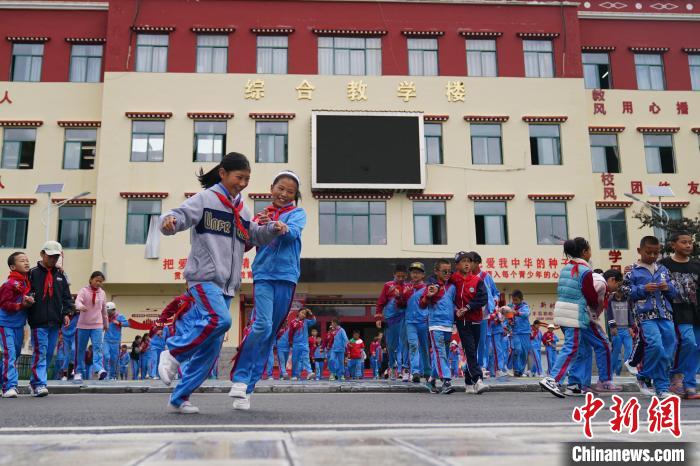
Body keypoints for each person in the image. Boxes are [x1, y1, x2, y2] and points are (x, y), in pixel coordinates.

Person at [157, 152, 286, 414]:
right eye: (239, 177)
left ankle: (179, 398)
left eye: (247, 179)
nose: (243, 183)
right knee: (220, 320)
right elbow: (177, 216)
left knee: (211, 348)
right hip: (204, 278)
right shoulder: (205, 199)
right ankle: (173, 352)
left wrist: (272, 229)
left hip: (228, 285)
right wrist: (168, 222)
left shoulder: (243, 209)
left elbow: (254, 236)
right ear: (223, 173)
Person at [229, 170, 304, 410]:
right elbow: (247, 243)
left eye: (290, 191)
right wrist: (253, 228)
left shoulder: (297, 213)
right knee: (261, 325)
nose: (284, 194)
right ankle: (240, 379)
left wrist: (279, 226)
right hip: (263, 275)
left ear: (295, 195)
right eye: (280, 188)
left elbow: (291, 234)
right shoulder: (260, 215)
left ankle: (247, 390)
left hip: (287, 277)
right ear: (272, 188)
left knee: (270, 335)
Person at [539, 237, 602, 398]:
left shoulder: (566, 268)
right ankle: (553, 379)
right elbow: (591, 296)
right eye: (589, 249)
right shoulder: (585, 271)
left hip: (563, 311)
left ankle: (574, 385)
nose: (590, 252)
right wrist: (597, 305)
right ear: (584, 252)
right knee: (571, 347)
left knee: (580, 348)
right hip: (574, 314)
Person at [622, 236, 678, 398]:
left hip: (665, 314)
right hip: (645, 315)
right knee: (655, 345)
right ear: (639, 251)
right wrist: (643, 288)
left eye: (656, 253)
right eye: (648, 252)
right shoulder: (632, 271)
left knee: (668, 351)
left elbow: (675, 292)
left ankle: (662, 388)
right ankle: (644, 375)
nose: (652, 256)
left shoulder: (663, 270)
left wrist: (668, 288)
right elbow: (625, 291)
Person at [27, 241, 74, 397]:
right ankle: (40, 384)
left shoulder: (61, 275)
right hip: (38, 320)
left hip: (55, 321)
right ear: (42, 254)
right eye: (50, 256)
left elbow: (67, 297)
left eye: (56, 256)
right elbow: (26, 292)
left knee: (48, 354)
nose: (53, 259)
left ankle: (34, 382)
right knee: (40, 352)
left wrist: (67, 313)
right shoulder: (32, 273)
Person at [659, 231, 700, 399]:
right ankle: (676, 376)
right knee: (688, 342)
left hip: (696, 311)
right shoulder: (664, 264)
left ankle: (689, 384)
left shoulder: (697, 265)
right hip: (677, 310)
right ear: (673, 245)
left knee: (696, 347)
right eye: (684, 242)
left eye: (690, 242)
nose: (688, 245)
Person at [452, 252, 489, 394]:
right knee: (470, 350)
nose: (467, 264)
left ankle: (468, 382)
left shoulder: (477, 280)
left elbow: (483, 298)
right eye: (463, 261)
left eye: (469, 261)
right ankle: (478, 380)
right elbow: (436, 280)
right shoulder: (453, 279)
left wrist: (467, 307)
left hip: (476, 320)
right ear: (457, 265)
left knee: (472, 351)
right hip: (462, 321)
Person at [0, 252, 34, 398]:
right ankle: (10, 386)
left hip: (19, 325)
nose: (26, 263)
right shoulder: (9, 284)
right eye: (22, 261)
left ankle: (4, 383)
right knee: (10, 354)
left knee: (15, 354)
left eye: (27, 260)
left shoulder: (27, 282)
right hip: (5, 324)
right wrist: (22, 305)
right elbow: (4, 304)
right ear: (13, 267)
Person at [420, 259, 456, 395]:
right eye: (444, 271)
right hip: (435, 325)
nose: (447, 274)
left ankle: (430, 381)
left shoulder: (452, 287)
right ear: (436, 271)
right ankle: (446, 381)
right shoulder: (431, 286)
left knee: (443, 355)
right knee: (440, 354)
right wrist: (428, 296)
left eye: (449, 271)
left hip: (448, 325)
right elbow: (422, 304)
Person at [375, 265, 410, 381]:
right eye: (398, 276)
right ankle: (392, 366)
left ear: (406, 276)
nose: (400, 278)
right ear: (394, 275)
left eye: (403, 276)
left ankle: (405, 368)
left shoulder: (408, 287)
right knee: (390, 345)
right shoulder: (388, 286)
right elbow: (381, 302)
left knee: (405, 343)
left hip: (404, 318)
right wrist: (378, 317)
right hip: (390, 319)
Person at [74, 271, 108, 382]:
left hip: (97, 325)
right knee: (80, 349)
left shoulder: (102, 293)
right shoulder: (83, 291)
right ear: (91, 280)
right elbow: (77, 301)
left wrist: (106, 323)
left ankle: (99, 369)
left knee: (97, 348)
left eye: (101, 282)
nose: (98, 283)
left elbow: (104, 309)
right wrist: (80, 306)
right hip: (83, 325)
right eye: (96, 280)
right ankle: (78, 371)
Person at [403, 261, 430, 383]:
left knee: (424, 347)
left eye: (418, 273)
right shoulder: (406, 288)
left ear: (423, 275)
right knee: (413, 345)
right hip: (410, 322)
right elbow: (401, 303)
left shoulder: (427, 288)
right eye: (413, 272)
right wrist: (401, 296)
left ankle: (427, 371)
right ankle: (415, 372)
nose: (415, 275)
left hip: (423, 321)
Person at [606, 290, 633, 376]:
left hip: (626, 329)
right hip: (616, 330)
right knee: (615, 352)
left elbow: (630, 313)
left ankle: (629, 371)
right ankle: (611, 372)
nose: (620, 293)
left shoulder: (627, 299)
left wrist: (631, 326)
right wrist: (612, 327)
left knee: (629, 350)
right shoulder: (610, 300)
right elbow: (609, 314)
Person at [288, 308, 316, 381]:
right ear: (298, 313)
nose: (303, 315)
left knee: (306, 358)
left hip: (305, 344)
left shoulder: (306, 321)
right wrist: (290, 342)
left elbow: (313, 322)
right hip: (296, 344)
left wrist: (311, 313)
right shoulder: (293, 322)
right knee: (295, 360)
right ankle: (295, 375)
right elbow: (290, 333)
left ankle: (309, 372)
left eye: (304, 314)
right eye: (302, 313)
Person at [103, 302, 129, 380]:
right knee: (106, 356)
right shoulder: (105, 317)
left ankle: (112, 376)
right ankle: (106, 375)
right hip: (106, 340)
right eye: (107, 311)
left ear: (113, 310)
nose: (107, 313)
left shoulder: (119, 316)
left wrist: (119, 323)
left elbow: (127, 323)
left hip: (116, 342)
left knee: (114, 360)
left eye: (109, 311)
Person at [509, 290, 531, 377]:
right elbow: (508, 318)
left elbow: (526, 314)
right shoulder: (511, 307)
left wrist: (516, 313)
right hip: (516, 332)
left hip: (525, 332)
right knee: (517, 350)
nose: (514, 302)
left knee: (524, 352)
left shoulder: (525, 307)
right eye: (513, 300)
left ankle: (521, 371)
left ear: (521, 299)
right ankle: (516, 370)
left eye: (516, 300)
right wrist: (510, 323)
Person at [61, 312, 78, 380]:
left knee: (74, 349)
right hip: (65, 335)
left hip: (74, 334)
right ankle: (64, 374)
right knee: (67, 355)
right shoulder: (63, 316)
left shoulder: (77, 315)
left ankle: (73, 368)